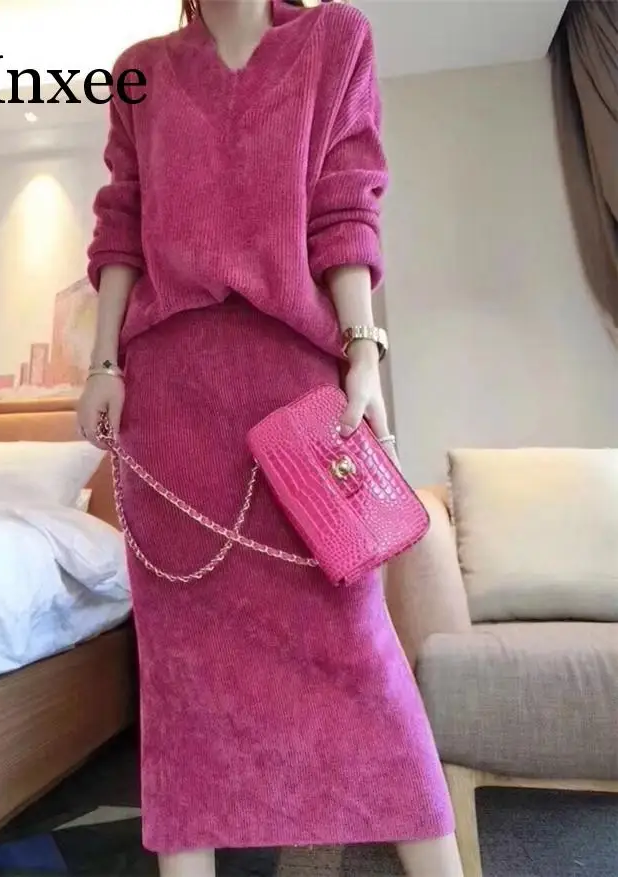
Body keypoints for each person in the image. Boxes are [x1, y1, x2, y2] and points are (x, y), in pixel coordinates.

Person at [77, 2, 464, 876]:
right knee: (183, 682)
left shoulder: (333, 38)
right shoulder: (140, 68)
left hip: (295, 396)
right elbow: (121, 224)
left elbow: (344, 205)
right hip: (169, 403)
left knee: (360, 652)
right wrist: (102, 363)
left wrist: (363, 354)